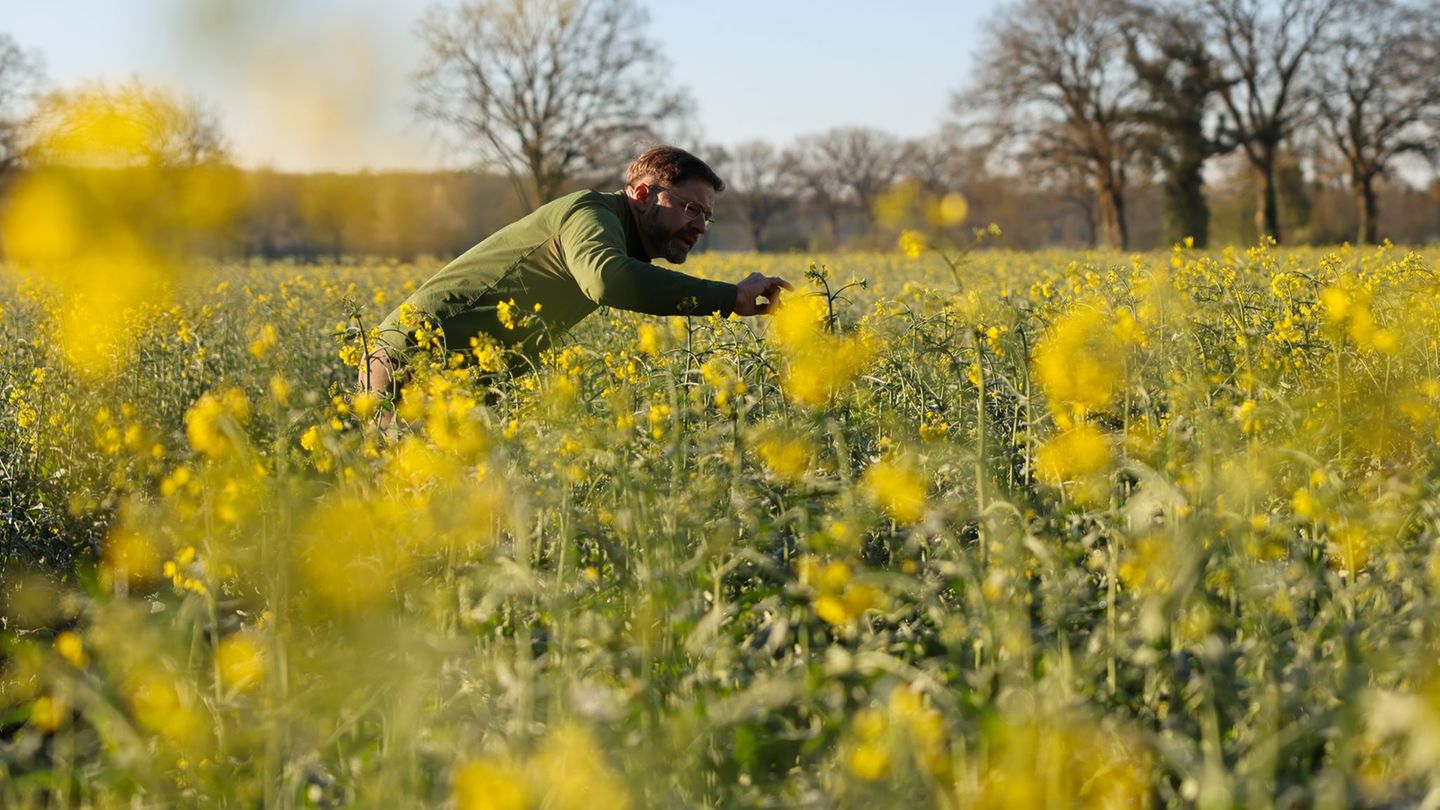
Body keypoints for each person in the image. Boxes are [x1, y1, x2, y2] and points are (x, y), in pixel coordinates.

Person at [363, 145, 792, 396]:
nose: (699, 226)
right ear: (642, 194)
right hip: (414, 359)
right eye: (691, 208)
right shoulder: (590, 212)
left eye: (707, 217)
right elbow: (607, 279)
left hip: (462, 377)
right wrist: (726, 298)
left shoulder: (620, 236)